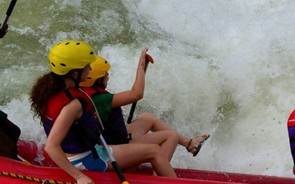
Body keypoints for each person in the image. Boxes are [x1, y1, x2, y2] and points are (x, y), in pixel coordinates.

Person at [29, 39, 176, 184]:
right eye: (87, 66)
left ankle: (147, 180)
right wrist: (79, 176)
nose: (90, 69)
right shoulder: (73, 105)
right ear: (75, 72)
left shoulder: (51, 90)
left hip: (88, 150)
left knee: (139, 155)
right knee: (155, 150)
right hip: (83, 159)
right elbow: (51, 146)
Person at [80, 49, 209, 161]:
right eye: (105, 75)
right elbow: (136, 94)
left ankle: (190, 144)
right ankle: (158, 176)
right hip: (116, 147)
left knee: (147, 118)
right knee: (171, 136)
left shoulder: (84, 92)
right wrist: (141, 67)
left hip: (115, 139)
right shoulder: (99, 99)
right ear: (96, 80)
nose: (108, 76)